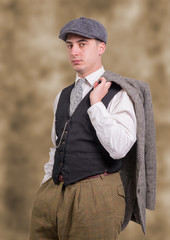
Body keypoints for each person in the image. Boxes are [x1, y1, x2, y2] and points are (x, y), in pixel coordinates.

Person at [29, 17, 156, 240]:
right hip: (53, 195)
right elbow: (58, 145)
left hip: (95, 196)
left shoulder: (120, 94)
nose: (74, 52)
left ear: (101, 47)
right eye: (70, 45)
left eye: (82, 44)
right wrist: (46, 186)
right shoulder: (62, 95)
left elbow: (119, 149)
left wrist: (96, 105)